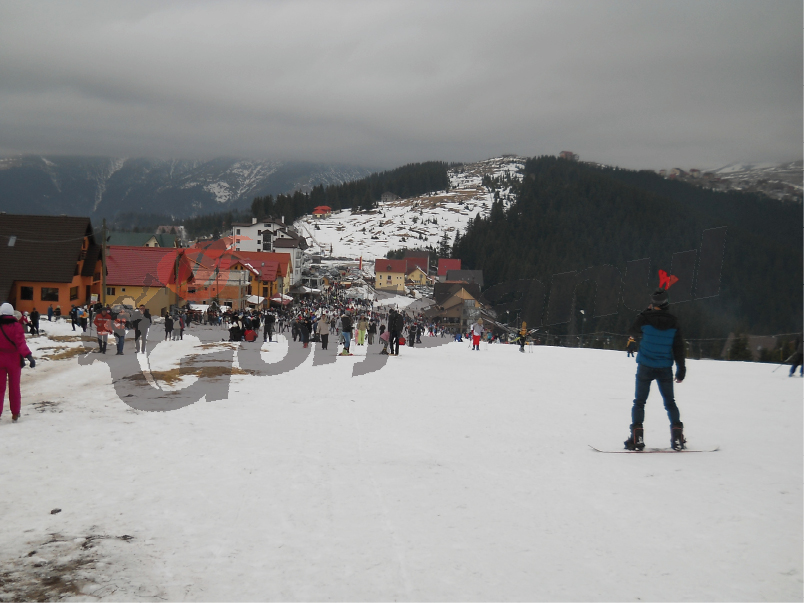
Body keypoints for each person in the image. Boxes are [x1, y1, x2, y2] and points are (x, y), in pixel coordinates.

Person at [624, 287, 687, 451]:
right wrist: (681, 369)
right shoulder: (674, 322)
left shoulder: (644, 318)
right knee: (670, 402)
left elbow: (632, 330)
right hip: (665, 367)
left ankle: (637, 436)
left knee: (639, 402)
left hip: (645, 365)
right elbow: (679, 348)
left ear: (653, 304)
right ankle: (677, 436)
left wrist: (646, 311)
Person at [0, 303, 35, 422]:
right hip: (14, 360)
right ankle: (15, 413)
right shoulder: (16, 326)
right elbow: (21, 343)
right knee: (14, 387)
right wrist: (28, 356)